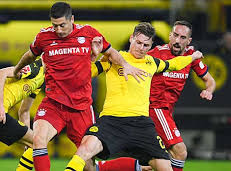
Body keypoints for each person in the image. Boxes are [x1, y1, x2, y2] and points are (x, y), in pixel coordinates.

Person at [12, 2, 145, 171]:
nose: (58, 30)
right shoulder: (44, 37)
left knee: (89, 166)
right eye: (55, 26)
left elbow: (110, 52)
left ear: (72, 19)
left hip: (80, 108)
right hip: (54, 104)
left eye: (62, 25)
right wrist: (17, 70)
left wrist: (125, 64)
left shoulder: (88, 33)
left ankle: (136, 166)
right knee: (38, 140)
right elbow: (30, 55)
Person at [65, 22, 204, 171]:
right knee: (85, 152)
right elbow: (86, 73)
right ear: (131, 39)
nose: (141, 48)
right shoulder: (114, 58)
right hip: (112, 121)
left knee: (165, 167)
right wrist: (92, 57)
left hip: (142, 124)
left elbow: (174, 64)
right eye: (138, 42)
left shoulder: (152, 62)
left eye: (146, 45)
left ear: (151, 46)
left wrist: (193, 57)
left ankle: (133, 167)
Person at [147, 20, 216, 171]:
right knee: (180, 151)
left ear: (189, 41)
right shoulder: (157, 53)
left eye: (183, 38)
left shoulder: (191, 56)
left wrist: (208, 90)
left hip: (167, 112)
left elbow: (210, 80)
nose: (177, 41)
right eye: (175, 35)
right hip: (155, 108)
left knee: (156, 160)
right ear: (170, 35)